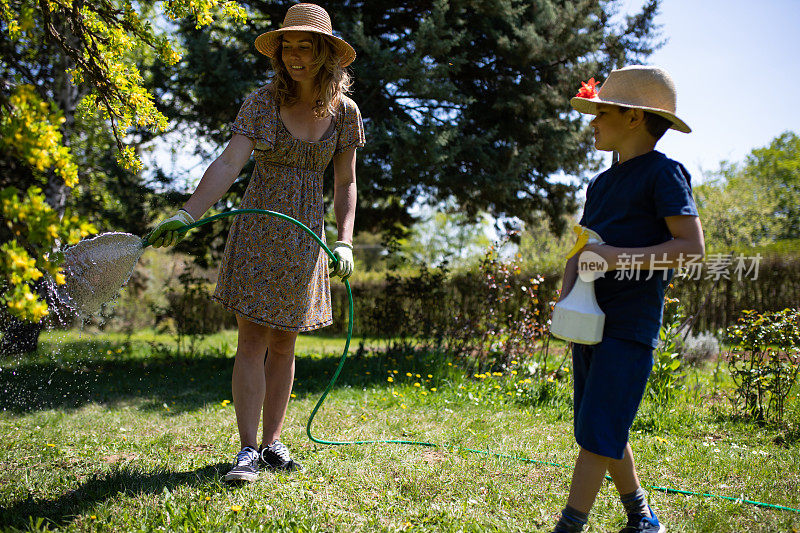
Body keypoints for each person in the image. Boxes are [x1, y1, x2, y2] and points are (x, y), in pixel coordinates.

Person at [147, 3, 365, 482]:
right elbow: (229, 164)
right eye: (287, 47)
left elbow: (345, 182)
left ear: (325, 53)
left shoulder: (345, 113)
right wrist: (188, 213)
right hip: (260, 229)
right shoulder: (262, 103)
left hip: (307, 236)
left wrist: (346, 242)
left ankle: (272, 444)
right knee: (251, 338)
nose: (294, 57)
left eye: (305, 47)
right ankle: (246, 450)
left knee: (285, 341)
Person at [551, 66, 705, 533]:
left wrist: (614, 258)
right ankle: (642, 517)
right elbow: (586, 247)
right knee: (602, 419)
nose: (592, 122)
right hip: (589, 318)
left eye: (601, 112)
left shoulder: (665, 174)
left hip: (630, 322)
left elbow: (690, 249)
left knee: (600, 425)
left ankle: (570, 525)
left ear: (634, 117)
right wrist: (566, 290)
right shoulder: (599, 184)